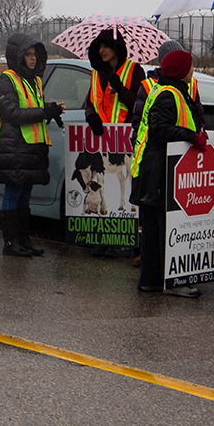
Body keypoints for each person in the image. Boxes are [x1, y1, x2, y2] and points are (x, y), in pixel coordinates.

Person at [129, 50, 207, 298]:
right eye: (191, 67)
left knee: (153, 228)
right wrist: (191, 137)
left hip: (153, 169)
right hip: (160, 171)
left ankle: (150, 280)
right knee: (168, 227)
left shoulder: (166, 90)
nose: (193, 70)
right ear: (183, 71)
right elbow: (159, 128)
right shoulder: (170, 94)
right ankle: (174, 281)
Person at [0, 33, 65, 257]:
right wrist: (44, 111)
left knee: (25, 194)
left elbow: (32, 106)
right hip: (15, 146)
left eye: (35, 55)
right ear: (18, 56)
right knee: (12, 193)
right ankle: (10, 242)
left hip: (32, 147)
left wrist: (50, 108)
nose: (33, 59)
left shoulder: (34, 80)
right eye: (28, 54)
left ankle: (24, 240)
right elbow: (11, 113)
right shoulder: (6, 79)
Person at [84, 27, 146, 257]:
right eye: (99, 46)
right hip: (103, 140)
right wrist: (91, 117)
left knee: (127, 185)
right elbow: (90, 103)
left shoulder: (134, 70)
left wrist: (120, 88)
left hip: (128, 140)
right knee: (104, 185)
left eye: (107, 46)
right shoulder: (96, 74)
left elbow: (141, 104)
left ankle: (129, 241)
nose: (102, 50)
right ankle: (104, 239)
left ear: (117, 48)